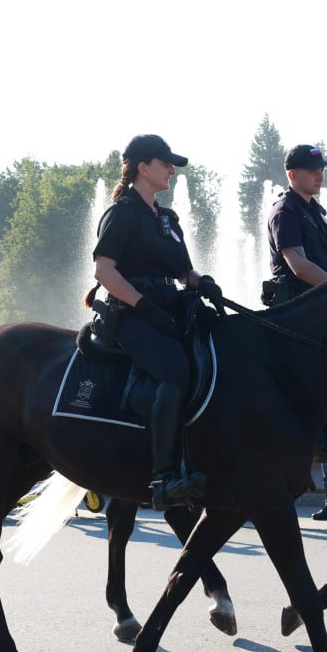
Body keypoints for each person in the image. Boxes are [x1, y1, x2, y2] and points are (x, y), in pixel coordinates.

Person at [88, 134, 222, 511]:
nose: (172, 171)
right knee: (174, 371)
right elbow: (104, 271)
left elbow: (183, 271)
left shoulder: (166, 217)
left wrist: (203, 282)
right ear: (143, 168)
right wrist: (144, 306)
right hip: (133, 313)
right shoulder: (122, 212)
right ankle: (165, 475)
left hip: (171, 307)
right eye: (165, 165)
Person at [265, 143, 327, 521]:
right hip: (298, 314)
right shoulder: (285, 211)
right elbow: (298, 264)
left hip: (321, 311)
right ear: (292, 174)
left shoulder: (315, 211)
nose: (321, 175)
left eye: (322, 169)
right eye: (312, 169)